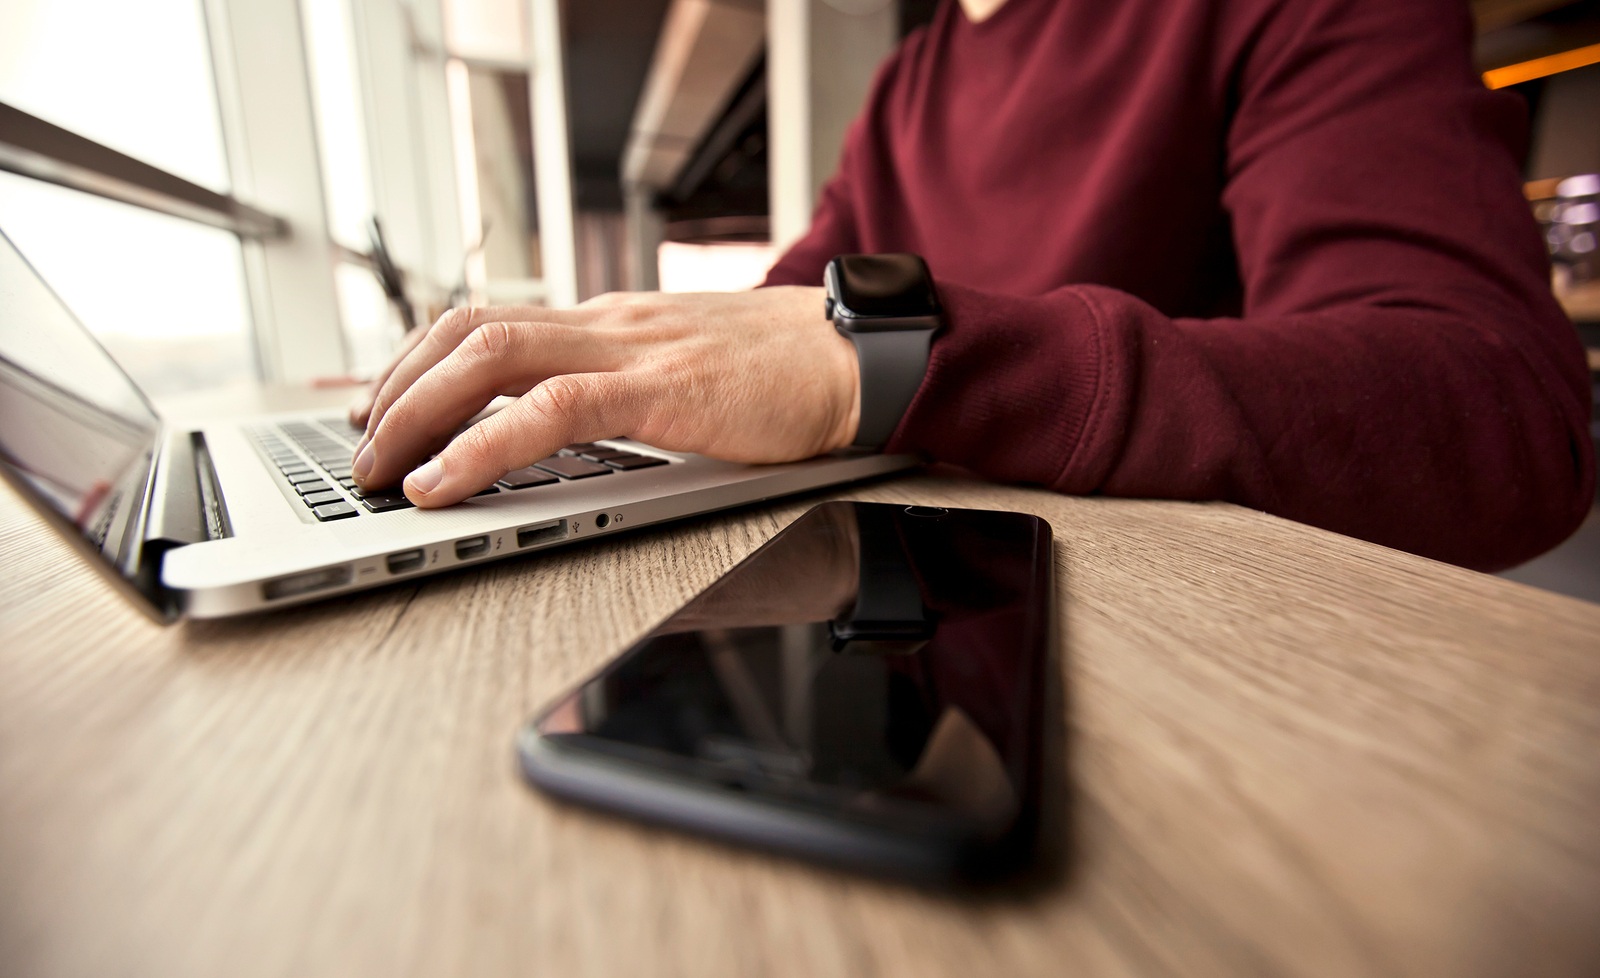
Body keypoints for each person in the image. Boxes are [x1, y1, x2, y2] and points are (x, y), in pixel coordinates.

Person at [349, 0, 1594, 572]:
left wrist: (897, 357)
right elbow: (780, 314)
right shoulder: (914, 78)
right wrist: (609, 366)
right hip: (931, 611)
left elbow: (1504, 413)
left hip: (1227, 679)